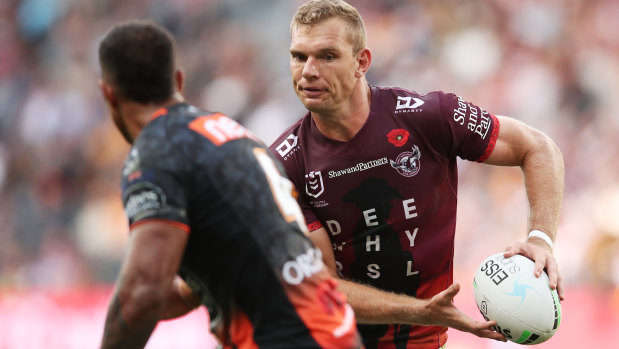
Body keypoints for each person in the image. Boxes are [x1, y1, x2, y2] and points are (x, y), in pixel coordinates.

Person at [268, 1, 565, 348]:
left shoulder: (428, 117)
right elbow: (323, 287)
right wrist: (423, 311)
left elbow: (539, 148)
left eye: (327, 56)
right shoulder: (283, 166)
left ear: (362, 62)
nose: (308, 71)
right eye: (299, 56)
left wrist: (540, 239)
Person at [97, 20, 362, 349]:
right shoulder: (232, 136)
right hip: (333, 333)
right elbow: (192, 288)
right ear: (178, 79)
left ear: (108, 93)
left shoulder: (159, 147)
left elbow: (143, 293)